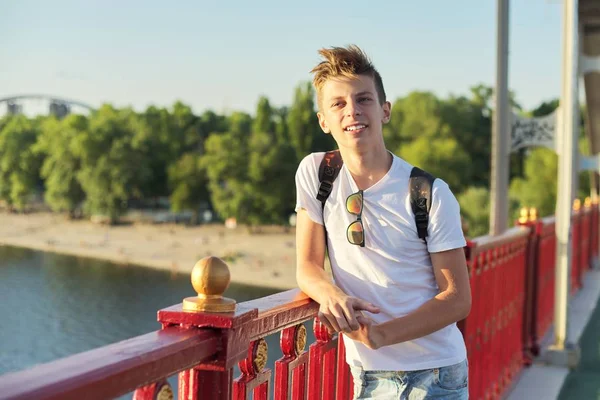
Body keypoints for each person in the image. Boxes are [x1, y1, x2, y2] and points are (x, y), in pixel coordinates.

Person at [294, 45, 472, 399]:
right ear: (323, 121)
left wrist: (380, 336)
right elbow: (308, 266)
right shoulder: (317, 173)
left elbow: (457, 299)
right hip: (367, 374)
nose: (352, 112)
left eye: (364, 100)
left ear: (385, 110)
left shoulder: (428, 192)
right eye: (338, 104)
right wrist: (331, 296)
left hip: (436, 375)